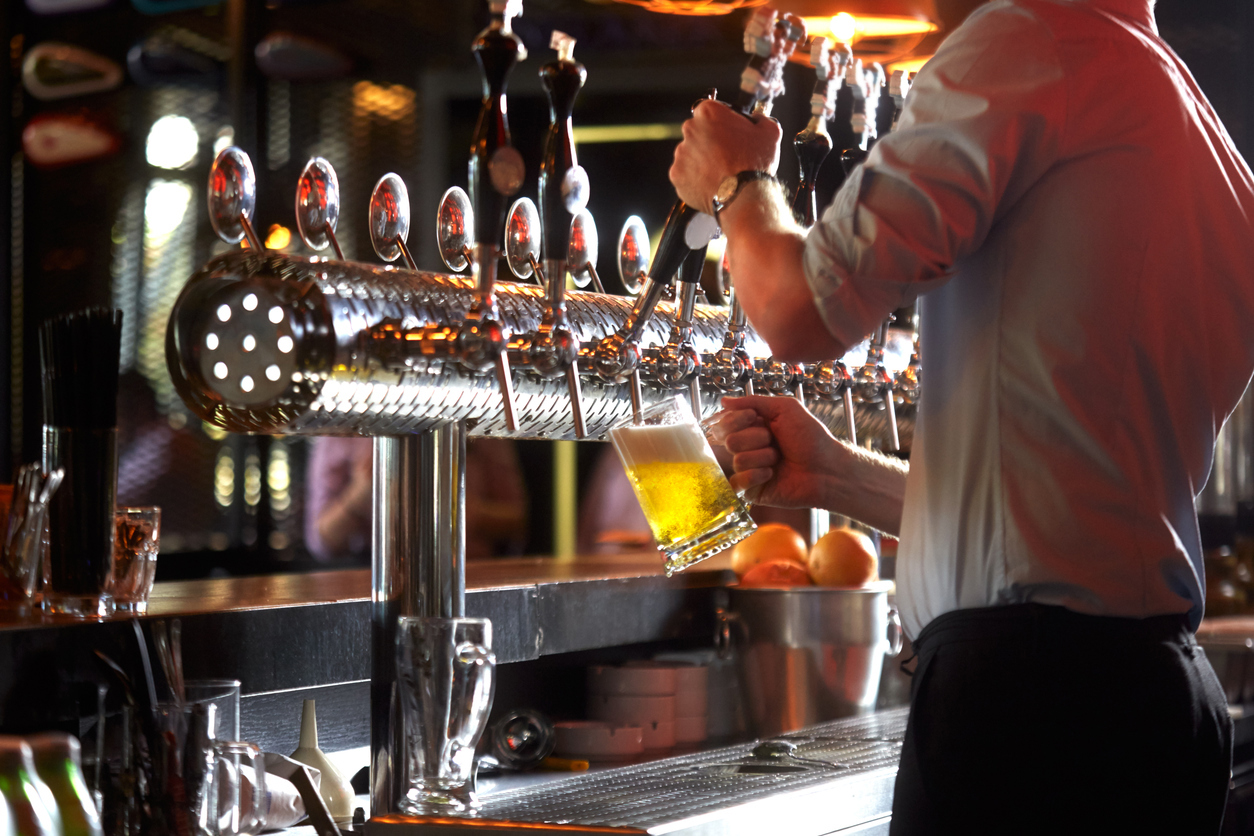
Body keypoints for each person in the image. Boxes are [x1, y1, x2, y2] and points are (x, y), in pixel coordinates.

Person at [672, 0, 1254, 832]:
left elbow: (798, 311)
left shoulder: (1030, 41)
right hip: (1154, 699)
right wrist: (834, 474)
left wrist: (737, 185)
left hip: (1030, 712)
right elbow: (1062, 506)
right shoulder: (1206, 141)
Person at [305, 436, 528, 561]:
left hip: (466, 571)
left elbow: (518, 521)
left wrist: (467, 513)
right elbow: (320, 541)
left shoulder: (476, 415)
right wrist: (360, 496)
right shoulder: (341, 427)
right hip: (370, 574)